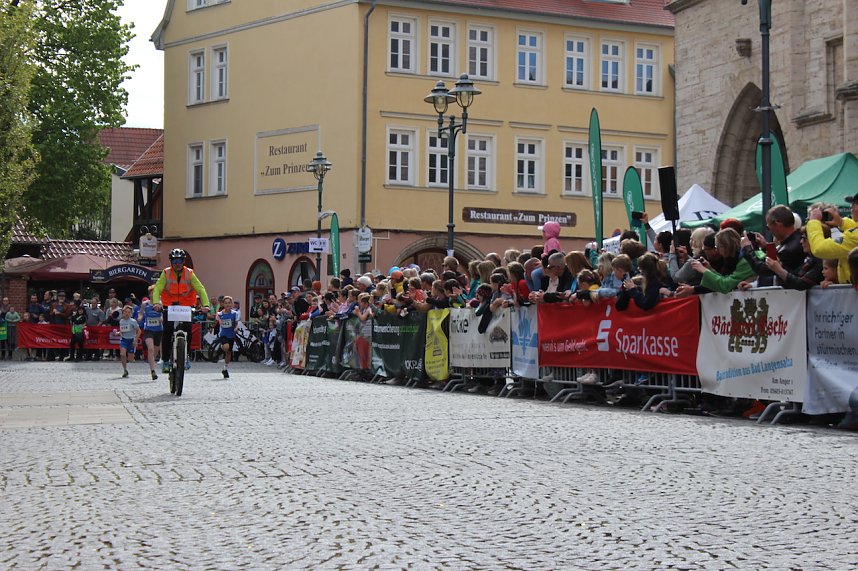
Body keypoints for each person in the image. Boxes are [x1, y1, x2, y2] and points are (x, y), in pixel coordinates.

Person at [151, 248, 210, 374]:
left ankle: (186, 357)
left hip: (186, 306)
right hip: (169, 306)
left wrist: (206, 305)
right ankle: (166, 361)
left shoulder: (189, 273)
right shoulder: (166, 273)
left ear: (183, 261)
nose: (177, 263)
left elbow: (200, 289)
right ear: (171, 261)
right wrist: (156, 303)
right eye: (174, 260)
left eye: (179, 260)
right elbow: (157, 289)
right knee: (167, 331)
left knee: (188, 330)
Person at [807, 192, 858, 284]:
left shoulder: (854, 237)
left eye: (854, 204)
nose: (851, 207)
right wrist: (842, 222)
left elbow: (819, 249)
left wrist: (813, 222)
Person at [215, 296, 239, 378]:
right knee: (226, 347)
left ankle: (225, 368)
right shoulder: (220, 314)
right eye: (226, 303)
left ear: (232, 304)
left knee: (228, 352)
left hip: (231, 334)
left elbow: (236, 324)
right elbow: (217, 322)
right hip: (223, 334)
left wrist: (236, 328)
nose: (228, 304)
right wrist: (212, 328)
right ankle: (221, 347)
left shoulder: (235, 314)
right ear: (223, 304)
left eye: (229, 303)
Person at [140, 298, 163, 380]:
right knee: (150, 349)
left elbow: (163, 315)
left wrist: (162, 319)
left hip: (158, 330)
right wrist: (139, 318)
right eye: (152, 293)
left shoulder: (161, 303)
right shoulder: (145, 304)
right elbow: (141, 313)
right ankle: (152, 371)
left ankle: (152, 364)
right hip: (148, 330)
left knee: (155, 351)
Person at [118, 305, 141, 378]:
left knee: (131, 359)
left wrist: (135, 340)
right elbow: (122, 330)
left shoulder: (133, 321)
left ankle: (131, 356)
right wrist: (118, 333)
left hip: (131, 340)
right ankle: (125, 370)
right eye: (125, 312)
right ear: (123, 313)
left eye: (129, 312)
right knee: (122, 354)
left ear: (131, 313)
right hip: (124, 340)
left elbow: (139, 331)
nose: (127, 313)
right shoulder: (121, 321)